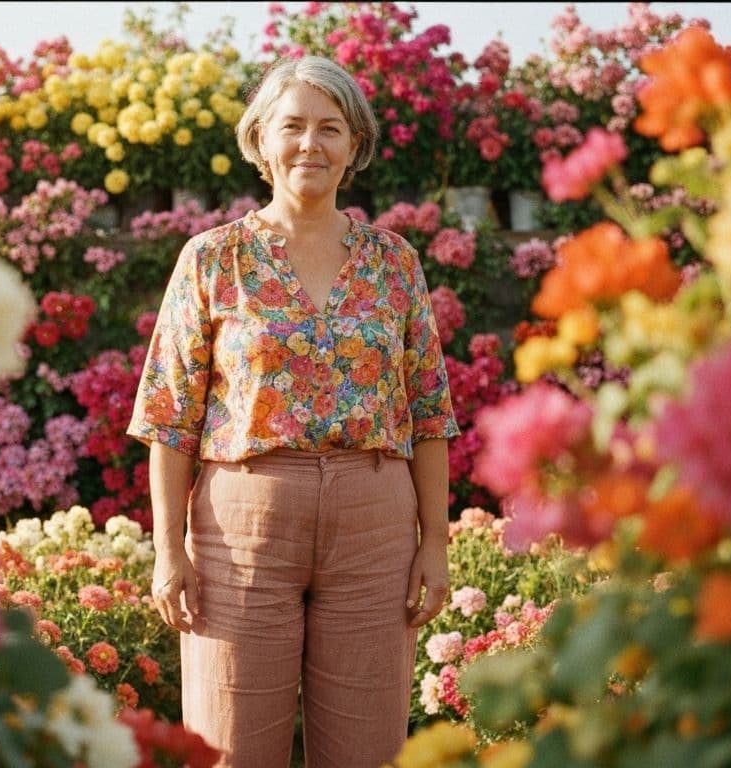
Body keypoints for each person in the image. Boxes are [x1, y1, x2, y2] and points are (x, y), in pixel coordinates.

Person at [126, 55, 460, 768]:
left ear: (354, 147)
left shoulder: (393, 262)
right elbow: (169, 415)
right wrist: (167, 550)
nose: (311, 144)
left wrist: (435, 543)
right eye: (293, 126)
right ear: (261, 141)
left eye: (330, 129)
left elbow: (430, 413)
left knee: (366, 753)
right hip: (243, 526)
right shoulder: (213, 259)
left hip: (374, 524)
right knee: (230, 751)